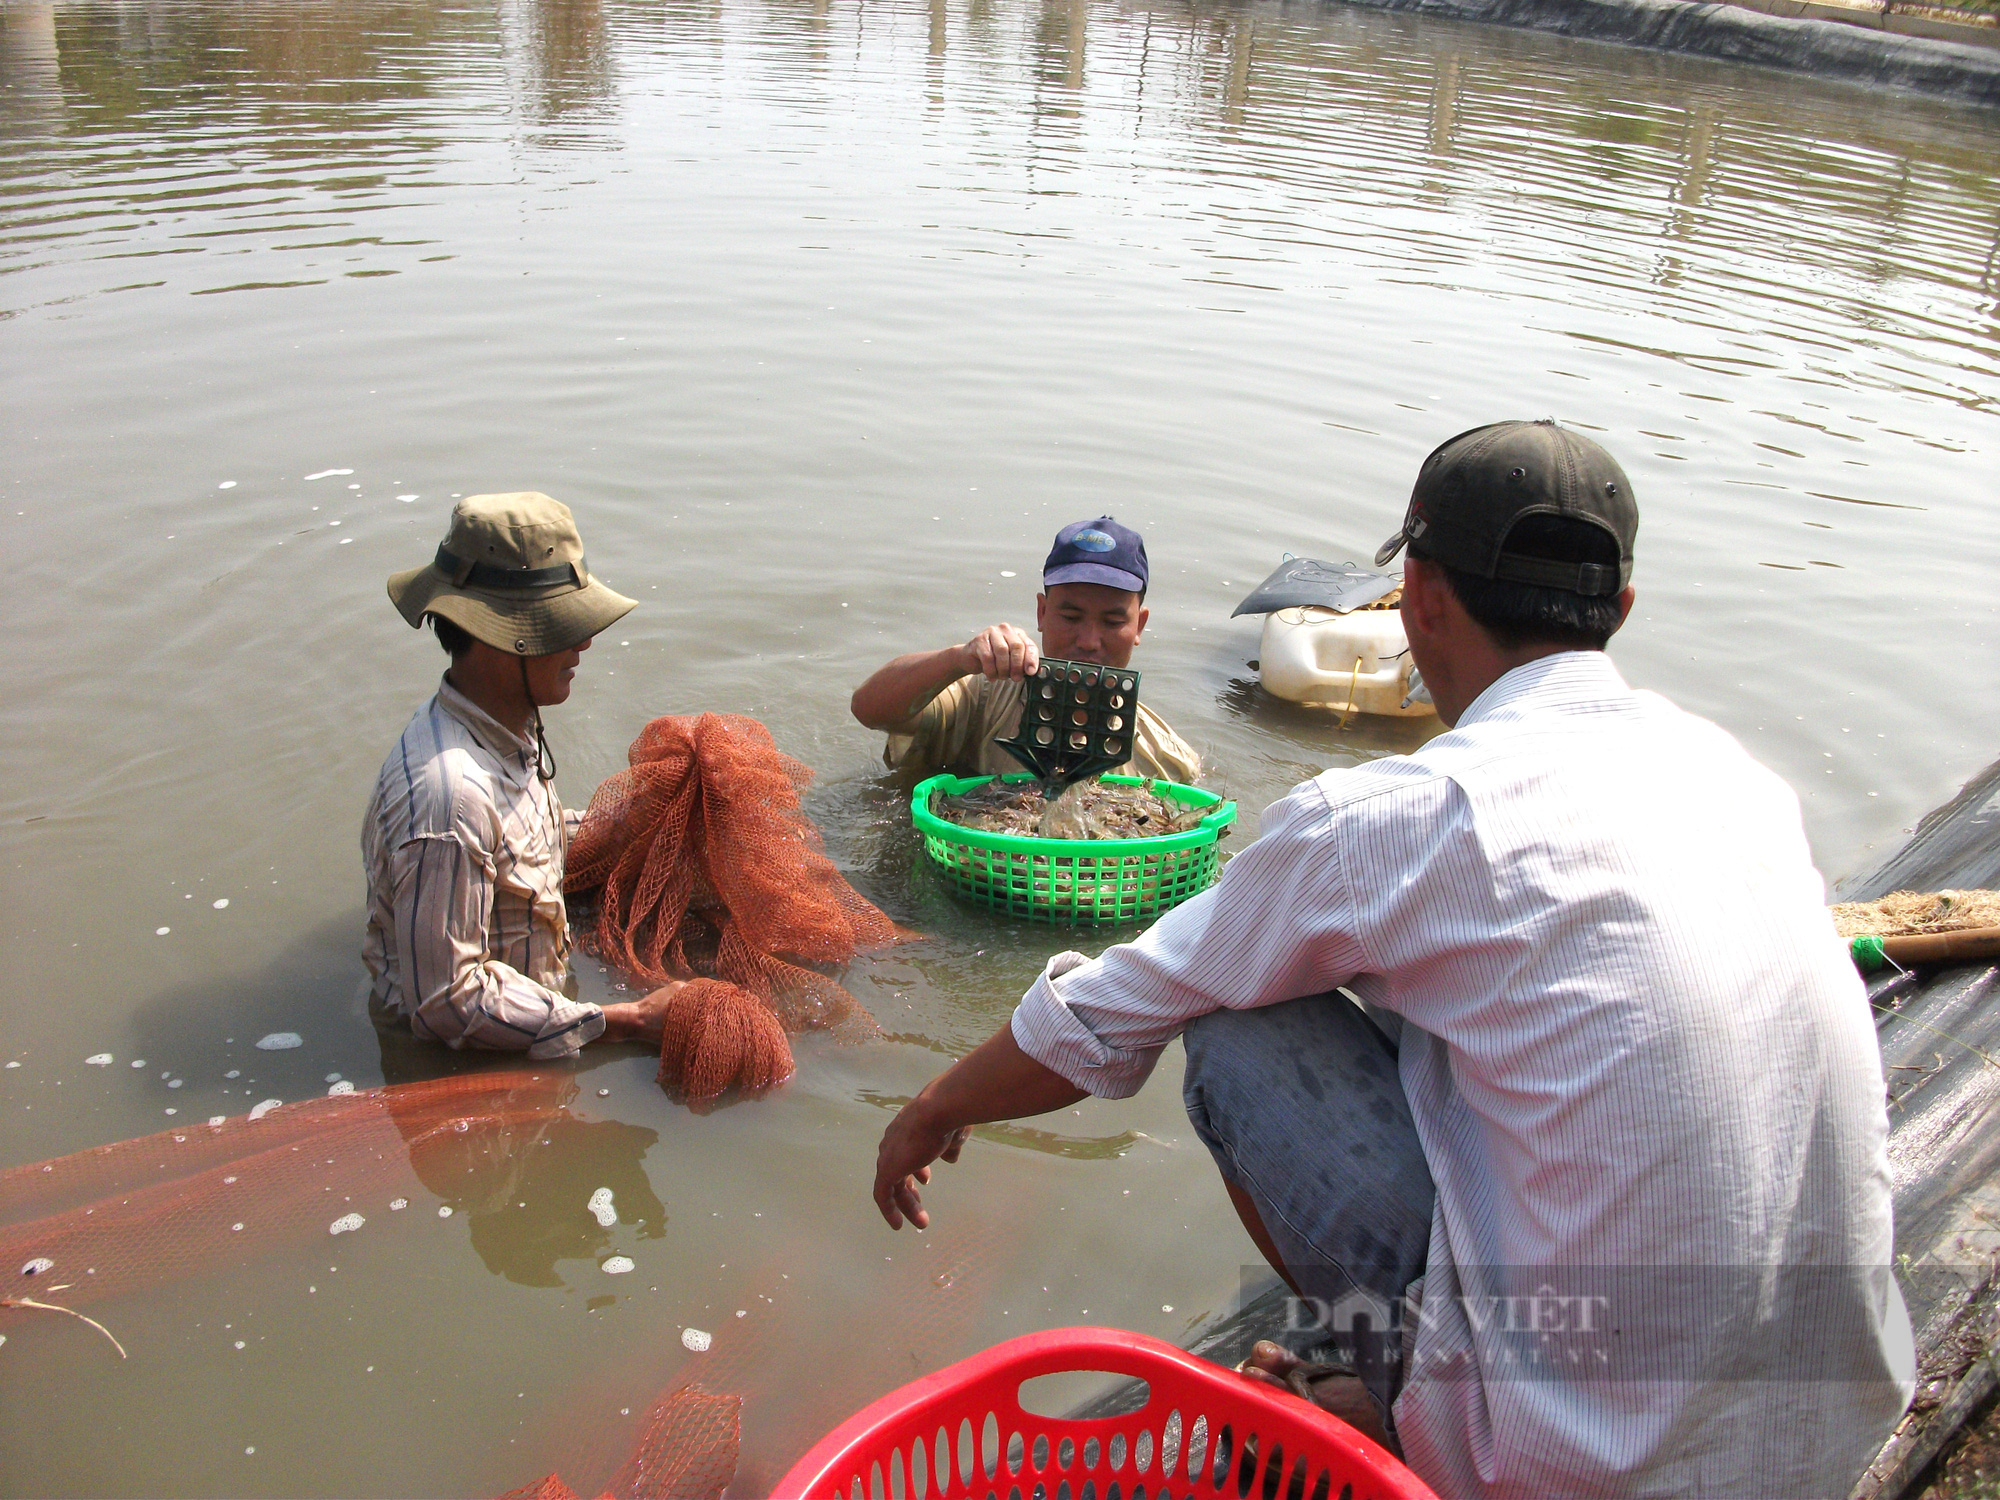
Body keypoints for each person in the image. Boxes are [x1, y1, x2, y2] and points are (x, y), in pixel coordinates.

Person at [870, 422, 1912, 1497]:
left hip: (1579, 1467)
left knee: (1235, 1020)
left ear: (1413, 599)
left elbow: (1109, 1010)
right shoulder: (1735, 777)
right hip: (1825, 1429)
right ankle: (1427, 1381)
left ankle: (1421, 1416)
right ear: (1621, 612)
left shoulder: (1396, 816)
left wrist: (933, 1106)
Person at [363, 492, 682, 1060]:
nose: (584, 642)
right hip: (466, 1065)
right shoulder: (449, 799)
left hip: (537, 1004)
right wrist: (627, 1022)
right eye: (561, 628)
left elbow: (524, 842)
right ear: (494, 636)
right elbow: (445, 1003)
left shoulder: (506, 724)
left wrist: (639, 825)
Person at [850, 516, 1200, 783]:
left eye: (1111, 622)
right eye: (1071, 616)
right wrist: (958, 658)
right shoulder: (982, 698)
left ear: (1138, 626)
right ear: (1042, 613)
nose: (1089, 641)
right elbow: (869, 709)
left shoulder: (1169, 762)